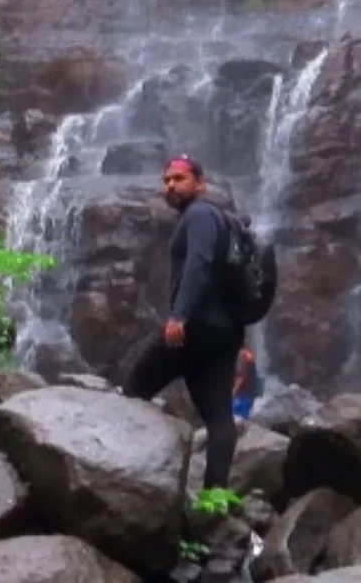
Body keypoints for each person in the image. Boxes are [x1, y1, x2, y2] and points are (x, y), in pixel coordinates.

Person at [122, 154, 243, 489]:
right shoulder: (226, 219)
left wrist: (179, 315)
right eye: (167, 180)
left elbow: (199, 263)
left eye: (179, 178)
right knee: (219, 417)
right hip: (225, 332)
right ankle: (214, 499)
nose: (171, 185)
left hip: (193, 327)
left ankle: (118, 477)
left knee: (131, 392)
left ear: (200, 183)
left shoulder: (201, 214)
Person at [232, 347, 258, 420]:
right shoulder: (246, 354)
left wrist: (232, 394)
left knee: (239, 418)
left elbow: (241, 376)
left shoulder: (241, 355)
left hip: (243, 395)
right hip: (249, 393)